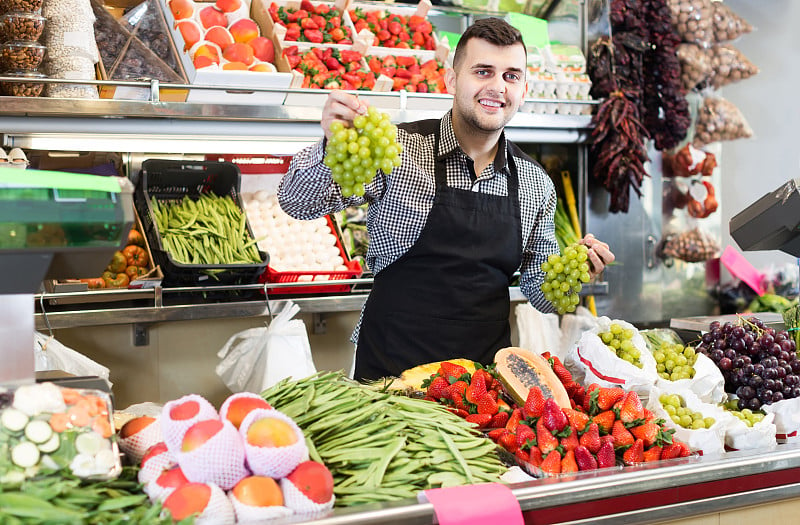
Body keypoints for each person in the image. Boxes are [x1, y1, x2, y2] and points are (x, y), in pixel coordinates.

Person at [278, 17, 615, 381]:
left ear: (523, 88)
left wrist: (579, 270)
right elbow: (297, 202)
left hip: (480, 390)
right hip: (389, 379)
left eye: (511, 76)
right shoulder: (395, 149)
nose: (497, 87)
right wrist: (331, 146)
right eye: (483, 71)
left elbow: (540, 294)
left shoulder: (535, 183)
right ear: (452, 80)